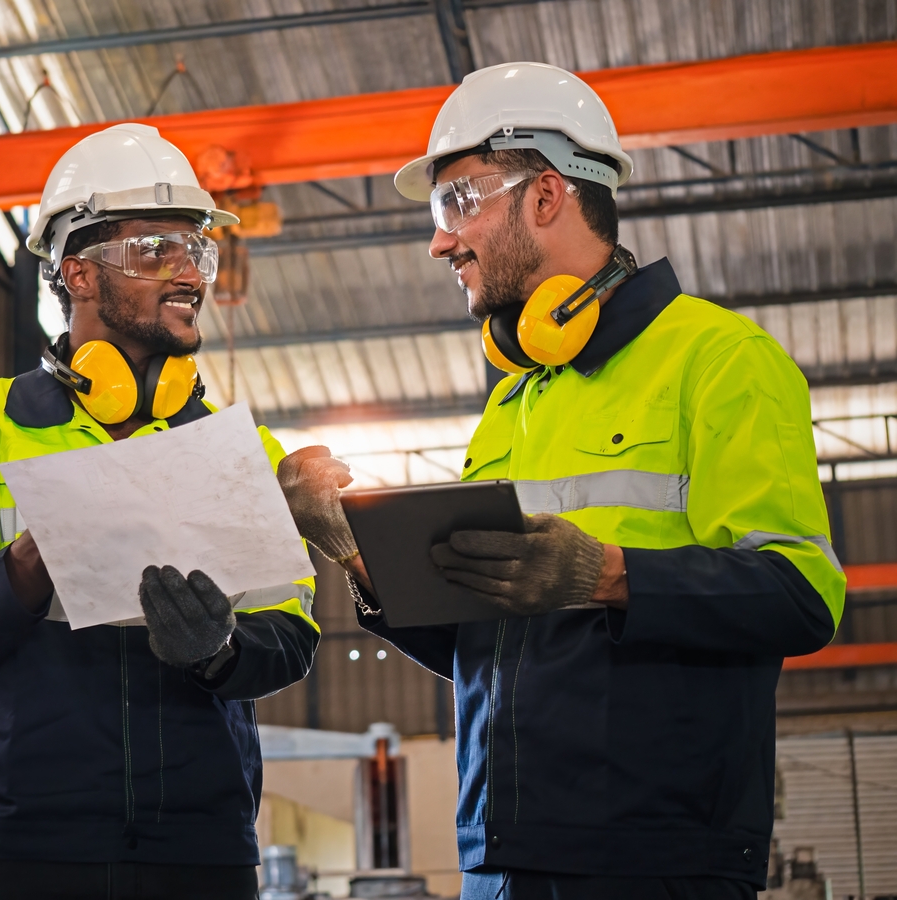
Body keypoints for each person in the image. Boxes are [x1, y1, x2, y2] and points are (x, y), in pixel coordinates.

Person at [278, 63, 845, 900]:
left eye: (457, 202)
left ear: (545, 195)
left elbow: (801, 595)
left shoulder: (721, 362)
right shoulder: (513, 403)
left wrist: (607, 574)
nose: (440, 241)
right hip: (500, 854)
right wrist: (357, 559)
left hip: (653, 860)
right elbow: (478, 638)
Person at [0, 123, 319, 900]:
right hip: (16, 851)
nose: (190, 272)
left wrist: (219, 647)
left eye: (197, 250)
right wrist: (42, 550)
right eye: (157, 250)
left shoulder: (241, 449)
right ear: (78, 274)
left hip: (199, 853)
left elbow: (290, 640)